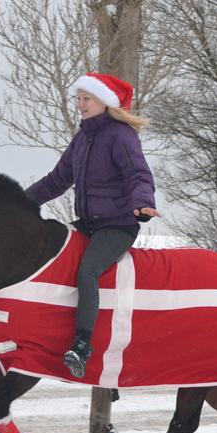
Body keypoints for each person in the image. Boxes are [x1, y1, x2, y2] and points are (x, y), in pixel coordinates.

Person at [25, 72, 160, 378]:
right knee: (45, 248)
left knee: (88, 270)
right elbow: (57, 180)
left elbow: (139, 175)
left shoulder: (121, 136)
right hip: (88, 223)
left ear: (104, 102)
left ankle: (82, 346)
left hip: (118, 225)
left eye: (86, 99)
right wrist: (18, 203)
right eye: (79, 98)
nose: (80, 105)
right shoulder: (83, 138)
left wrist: (142, 203)